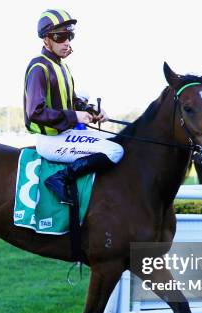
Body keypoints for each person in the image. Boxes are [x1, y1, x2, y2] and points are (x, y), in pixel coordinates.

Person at [24, 9, 124, 205]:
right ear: (46, 39)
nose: (67, 42)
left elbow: (73, 102)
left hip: (65, 134)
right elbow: (35, 113)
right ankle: (60, 178)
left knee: (118, 140)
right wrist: (75, 117)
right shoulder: (38, 67)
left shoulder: (63, 67)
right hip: (50, 140)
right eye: (60, 36)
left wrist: (92, 111)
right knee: (114, 151)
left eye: (69, 36)